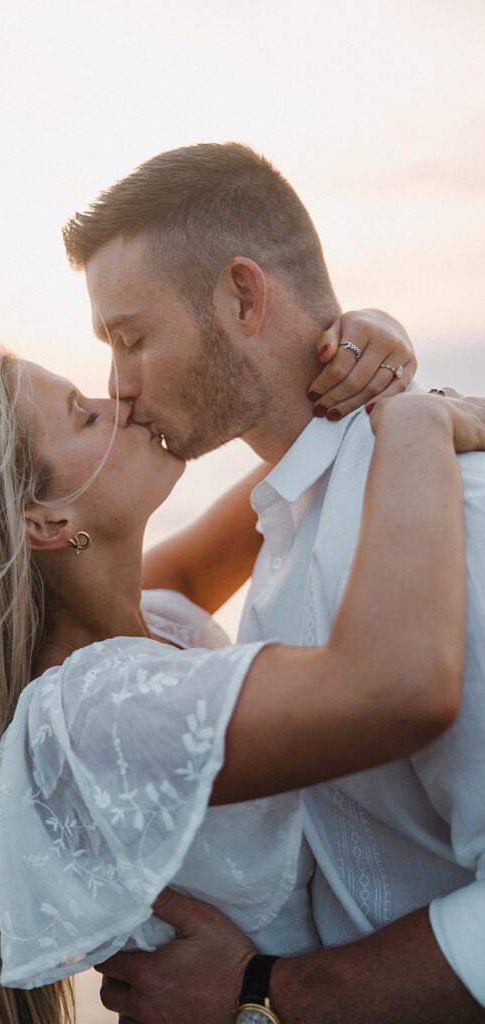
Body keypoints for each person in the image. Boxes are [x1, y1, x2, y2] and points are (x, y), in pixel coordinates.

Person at [0, 344, 481, 1024]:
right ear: (48, 522)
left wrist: (357, 352)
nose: (117, 403)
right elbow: (395, 686)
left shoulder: (142, 622)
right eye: (82, 416)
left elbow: (286, 474)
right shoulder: (94, 707)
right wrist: (416, 425)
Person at [61, 142, 485, 1022]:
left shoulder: (451, 518)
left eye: (132, 339)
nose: (119, 387)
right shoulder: (287, 528)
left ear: (243, 296)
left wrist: (270, 994)